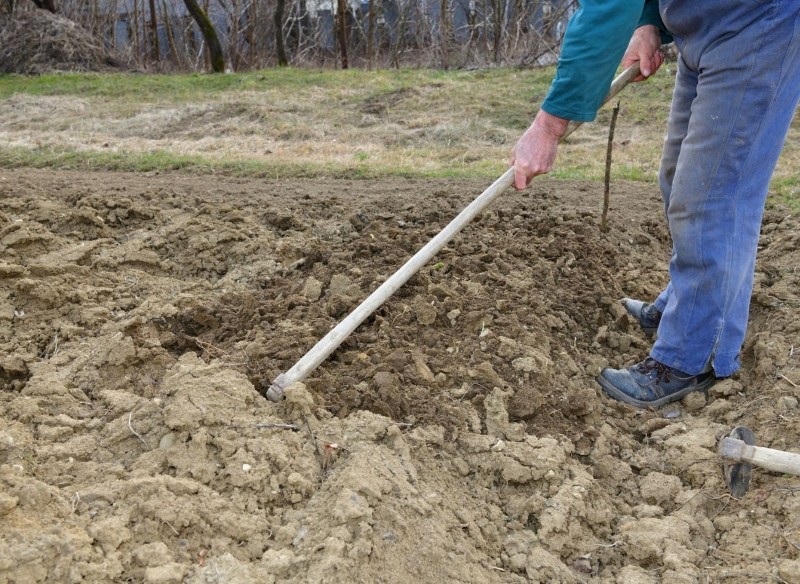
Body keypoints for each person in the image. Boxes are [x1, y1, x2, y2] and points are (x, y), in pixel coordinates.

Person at [511, 0, 800, 408]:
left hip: (757, 25)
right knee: (678, 176)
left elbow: (608, 8)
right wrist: (649, 22)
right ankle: (691, 305)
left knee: (712, 196)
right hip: (705, 21)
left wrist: (548, 125)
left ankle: (690, 356)